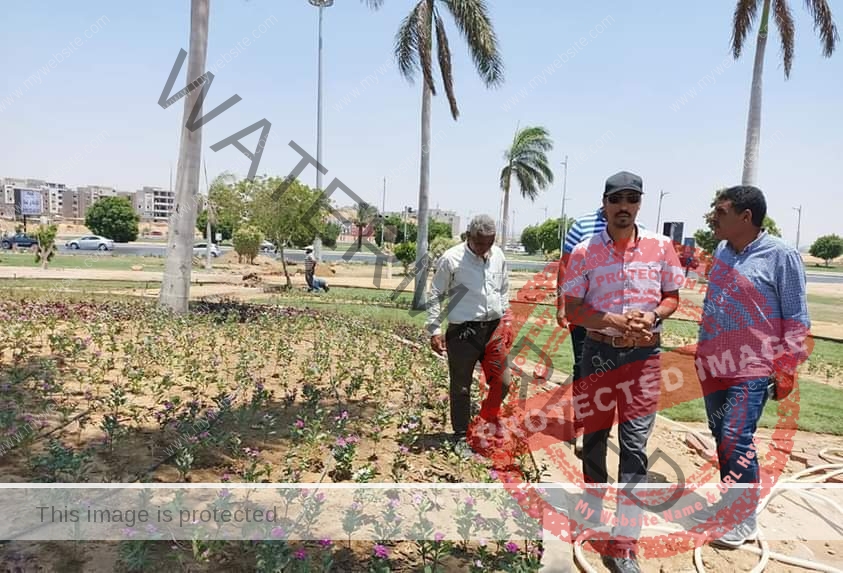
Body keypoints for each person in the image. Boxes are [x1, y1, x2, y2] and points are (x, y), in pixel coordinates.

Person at [562, 171, 683, 572]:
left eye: (632, 199)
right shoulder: (583, 252)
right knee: (595, 438)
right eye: (617, 200)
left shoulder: (661, 247)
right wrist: (614, 321)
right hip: (599, 353)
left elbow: (672, 296)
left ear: (640, 204)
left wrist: (651, 316)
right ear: (605, 204)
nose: (624, 207)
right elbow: (574, 309)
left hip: (644, 358)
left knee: (634, 447)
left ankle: (624, 541)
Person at [693, 185, 810, 548]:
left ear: (746, 217)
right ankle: (730, 505)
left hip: (752, 368)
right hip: (713, 364)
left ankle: (743, 521)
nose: (714, 215)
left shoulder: (782, 256)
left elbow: (796, 319)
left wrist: (787, 368)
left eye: (721, 210)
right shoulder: (722, 251)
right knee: (722, 437)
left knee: (736, 438)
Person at [426, 214, 513, 456]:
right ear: (469, 236)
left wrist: (507, 318)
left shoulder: (498, 256)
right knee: (461, 387)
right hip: (463, 331)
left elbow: (503, 288)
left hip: (493, 328)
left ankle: (486, 421)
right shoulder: (451, 259)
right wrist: (434, 329)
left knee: (503, 381)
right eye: (479, 242)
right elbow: (435, 294)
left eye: (489, 242)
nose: (484, 248)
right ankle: (461, 436)